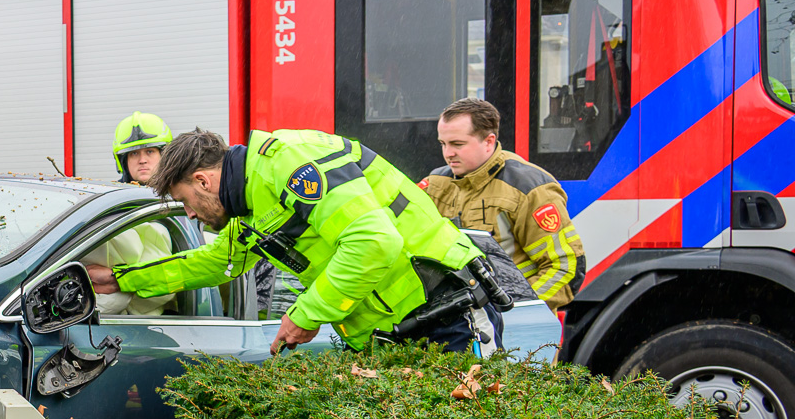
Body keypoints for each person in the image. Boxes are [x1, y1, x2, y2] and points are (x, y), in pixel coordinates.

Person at [113, 128, 502, 355]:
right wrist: (121, 280)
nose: (192, 215)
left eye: (185, 202)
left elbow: (373, 242)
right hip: (393, 333)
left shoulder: (289, 164)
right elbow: (216, 263)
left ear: (202, 180)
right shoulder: (247, 204)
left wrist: (305, 315)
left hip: (448, 311)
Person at [422, 98, 585, 309]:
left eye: (457, 144)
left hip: (513, 330)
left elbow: (566, 268)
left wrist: (515, 312)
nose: (448, 153)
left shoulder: (529, 188)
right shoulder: (436, 184)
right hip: (458, 327)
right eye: (443, 144)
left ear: (489, 142)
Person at [85, 113, 177, 312]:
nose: (142, 160)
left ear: (165, 155)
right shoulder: (111, 201)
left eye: (150, 152)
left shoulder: (183, 198)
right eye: (134, 154)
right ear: (123, 160)